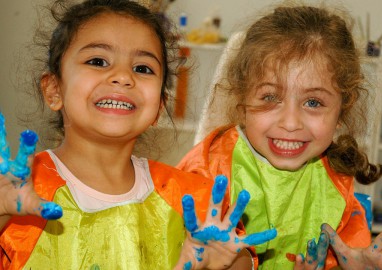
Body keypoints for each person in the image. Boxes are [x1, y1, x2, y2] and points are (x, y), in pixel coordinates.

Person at [0, 0, 276, 269]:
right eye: (98, 61)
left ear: (159, 105)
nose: (122, 76)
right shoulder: (17, 194)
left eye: (142, 68)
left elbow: (233, 257)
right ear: (54, 90)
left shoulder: (193, 199)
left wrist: (225, 264)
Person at [178, 4, 382, 269]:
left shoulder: (336, 181)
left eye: (312, 102)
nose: (290, 123)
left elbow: (347, 253)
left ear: (342, 109)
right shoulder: (208, 170)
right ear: (242, 98)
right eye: (271, 97)